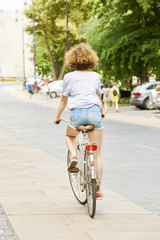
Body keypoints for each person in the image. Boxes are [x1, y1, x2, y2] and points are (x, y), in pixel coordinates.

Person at [54, 43, 104, 200]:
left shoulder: (68, 77)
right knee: (97, 155)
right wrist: (101, 113)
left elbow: (63, 101)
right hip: (95, 113)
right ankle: (97, 190)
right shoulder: (96, 76)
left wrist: (57, 117)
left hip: (77, 114)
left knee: (70, 136)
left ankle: (74, 156)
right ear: (91, 59)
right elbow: (98, 96)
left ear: (72, 60)